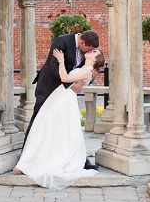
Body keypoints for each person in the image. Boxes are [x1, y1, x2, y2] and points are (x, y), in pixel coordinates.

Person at [14, 47, 106, 189]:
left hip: (65, 102)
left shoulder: (88, 72)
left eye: (95, 52)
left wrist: (61, 61)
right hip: (59, 97)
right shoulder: (83, 67)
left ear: (95, 59)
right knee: (46, 129)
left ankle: (49, 162)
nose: (91, 51)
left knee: (58, 131)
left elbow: (65, 78)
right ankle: (29, 162)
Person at [24, 30, 100, 171]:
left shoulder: (86, 52)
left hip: (64, 94)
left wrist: (89, 78)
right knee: (38, 120)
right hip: (48, 87)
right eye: (88, 49)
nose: (89, 52)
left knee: (65, 125)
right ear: (83, 42)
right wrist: (71, 85)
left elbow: (80, 70)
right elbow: (54, 67)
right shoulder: (62, 41)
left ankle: (77, 159)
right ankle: (26, 157)